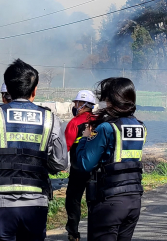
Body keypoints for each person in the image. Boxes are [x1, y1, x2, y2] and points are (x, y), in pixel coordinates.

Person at [0, 59, 69, 240]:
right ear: (34, 90)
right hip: (35, 205)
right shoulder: (51, 120)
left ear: (7, 90)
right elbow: (60, 163)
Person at [74, 77, 146, 241]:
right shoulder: (141, 127)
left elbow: (85, 164)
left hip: (110, 202)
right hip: (134, 200)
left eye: (106, 99)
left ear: (112, 100)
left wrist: (85, 137)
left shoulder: (106, 128)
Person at [64, 90, 97, 241]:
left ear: (83, 105)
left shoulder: (74, 123)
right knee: (95, 202)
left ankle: (73, 233)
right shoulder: (100, 121)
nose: (74, 106)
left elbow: (65, 147)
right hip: (96, 170)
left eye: (76, 103)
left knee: (73, 200)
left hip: (78, 170)